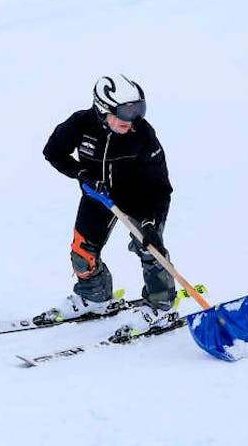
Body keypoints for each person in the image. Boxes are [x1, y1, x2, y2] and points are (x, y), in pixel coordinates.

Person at [38, 75, 176, 338]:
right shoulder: (80, 124)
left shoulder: (143, 135)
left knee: (150, 248)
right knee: (82, 251)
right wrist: (80, 172)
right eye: (125, 111)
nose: (132, 118)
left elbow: (159, 186)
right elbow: (53, 152)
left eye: (138, 109)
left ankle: (160, 307)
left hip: (140, 198)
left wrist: (150, 223)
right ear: (103, 109)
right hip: (97, 195)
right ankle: (95, 297)